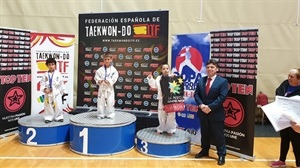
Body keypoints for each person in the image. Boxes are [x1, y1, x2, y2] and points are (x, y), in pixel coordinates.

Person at [193, 59, 228, 166]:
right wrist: (201, 105)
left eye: (212, 67)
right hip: (203, 111)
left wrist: (210, 107)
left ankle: (221, 154)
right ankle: (204, 150)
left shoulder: (222, 81)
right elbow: (196, 94)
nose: (209, 69)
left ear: (217, 69)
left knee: (218, 135)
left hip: (215, 113)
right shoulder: (201, 80)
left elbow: (222, 97)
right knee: (205, 133)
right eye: (208, 67)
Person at [270, 68, 300, 168]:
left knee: (296, 142)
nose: (289, 78)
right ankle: (281, 160)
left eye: (292, 77)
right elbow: (278, 91)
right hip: (283, 117)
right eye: (288, 76)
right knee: (284, 139)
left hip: (295, 120)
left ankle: (299, 163)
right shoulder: (285, 84)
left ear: (298, 79)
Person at [147, 64, 177, 135]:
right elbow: (154, 85)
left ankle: (171, 129)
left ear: (169, 69)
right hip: (162, 98)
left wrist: (175, 79)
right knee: (161, 115)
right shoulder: (158, 78)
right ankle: (161, 128)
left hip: (170, 99)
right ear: (161, 70)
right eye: (164, 69)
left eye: (167, 68)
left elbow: (178, 87)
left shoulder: (173, 77)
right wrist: (150, 78)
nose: (165, 70)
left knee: (171, 115)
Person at [40, 58, 67, 123]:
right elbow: (42, 83)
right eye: (49, 65)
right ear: (47, 66)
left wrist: (64, 91)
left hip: (56, 92)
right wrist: (44, 89)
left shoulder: (58, 74)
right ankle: (48, 117)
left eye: (52, 64)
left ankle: (59, 117)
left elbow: (61, 83)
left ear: (55, 65)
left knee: (58, 105)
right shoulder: (45, 75)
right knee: (48, 105)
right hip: (48, 92)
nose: (51, 66)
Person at [94, 53, 119, 119]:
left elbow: (115, 78)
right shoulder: (100, 70)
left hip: (109, 88)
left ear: (111, 60)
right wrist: (99, 80)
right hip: (102, 87)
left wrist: (110, 81)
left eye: (108, 59)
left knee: (110, 101)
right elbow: (96, 77)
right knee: (100, 102)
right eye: (105, 59)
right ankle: (100, 114)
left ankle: (110, 114)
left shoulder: (114, 70)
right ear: (103, 60)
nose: (107, 61)